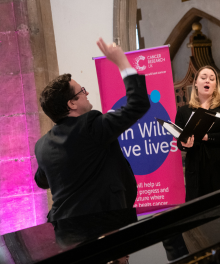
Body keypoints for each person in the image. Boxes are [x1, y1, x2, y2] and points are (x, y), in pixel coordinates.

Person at [34, 38, 150, 222]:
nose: (87, 94)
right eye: (82, 91)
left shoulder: (42, 146)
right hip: (103, 227)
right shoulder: (91, 126)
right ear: (71, 103)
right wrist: (122, 62)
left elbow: (42, 180)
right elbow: (138, 104)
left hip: (63, 230)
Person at [176, 66, 220, 200]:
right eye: (203, 78)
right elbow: (180, 142)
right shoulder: (184, 111)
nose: (207, 81)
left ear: (215, 85)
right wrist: (186, 144)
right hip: (197, 168)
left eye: (212, 79)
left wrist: (209, 137)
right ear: (196, 83)